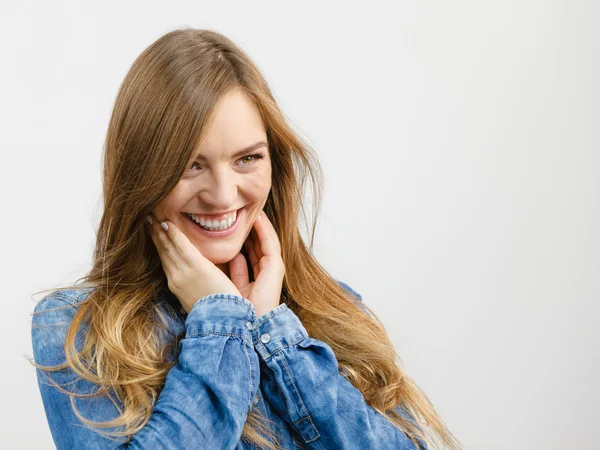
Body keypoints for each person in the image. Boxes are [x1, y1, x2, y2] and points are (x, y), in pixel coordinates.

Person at [29, 28, 462, 450]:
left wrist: (275, 335)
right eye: (190, 165)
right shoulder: (77, 328)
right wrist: (219, 323)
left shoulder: (334, 308)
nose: (222, 195)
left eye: (248, 158)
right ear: (143, 173)